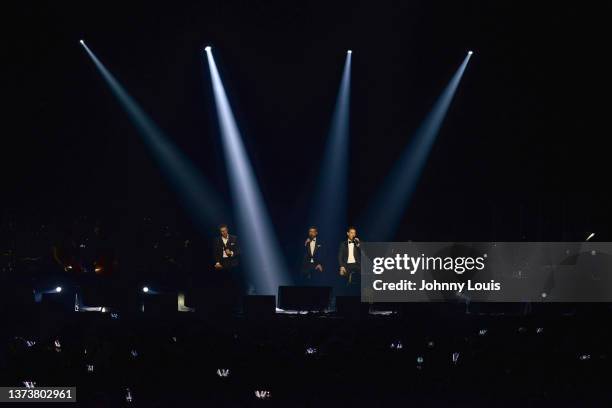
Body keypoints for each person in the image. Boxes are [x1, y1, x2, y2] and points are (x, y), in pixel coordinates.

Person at [211, 224, 241, 313]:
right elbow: (214, 252)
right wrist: (217, 262)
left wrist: (231, 253)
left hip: (232, 264)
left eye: (224, 231)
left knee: (233, 284)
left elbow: (239, 250)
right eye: (221, 231)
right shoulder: (217, 240)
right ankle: (222, 305)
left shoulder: (234, 238)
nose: (223, 232)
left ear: (227, 230)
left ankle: (235, 305)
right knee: (222, 285)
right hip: (222, 264)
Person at [338, 226, 361, 292]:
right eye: (351, 233)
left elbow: (363, 253)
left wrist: (358, 245)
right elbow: (340, 256)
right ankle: (344, 291)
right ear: (348, 233)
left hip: (356, 264)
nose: (353, 234)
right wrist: (342, 266)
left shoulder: (358, 243)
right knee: (341, 274)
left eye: (354, 233)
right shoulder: (343, 244)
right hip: (346, 264)